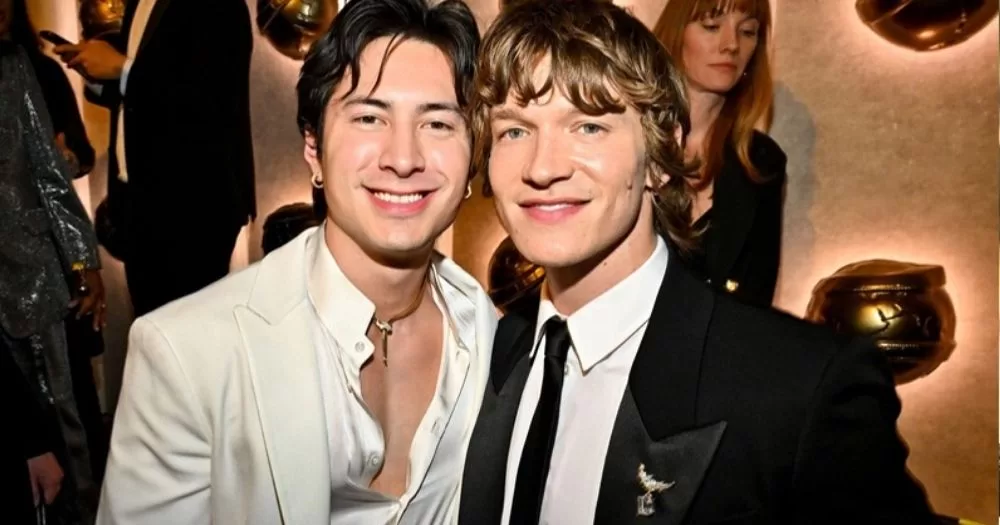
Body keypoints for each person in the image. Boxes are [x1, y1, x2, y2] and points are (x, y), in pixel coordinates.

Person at [458, 1, 936, 523]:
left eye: (589, 126)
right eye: (514, 131)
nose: (542, 167)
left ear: (663, 156)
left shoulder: (801, 391)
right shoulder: (484, 359)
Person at [97, 0, 495, 523]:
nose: (403, 158)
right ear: (313, 148)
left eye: (439, 123)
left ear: (472, 154)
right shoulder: (185, 355)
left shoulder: (490, 334)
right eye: (369, 117)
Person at [54, 0, 257, 316]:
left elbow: (208, 101)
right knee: (155, 340)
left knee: (193, 343)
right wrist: (95, 71)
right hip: (142, 206)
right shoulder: (139, 3)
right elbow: (139, 101)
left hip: (194, 207)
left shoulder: (220, 5)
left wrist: (122, 70)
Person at [0, 37, 105, 525]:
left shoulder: (15, 65)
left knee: (67, 438)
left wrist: (84, 263)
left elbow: (50, 172)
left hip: (35, 280)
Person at [652, 0, 786, 308]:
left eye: (748, 31)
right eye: (712, 26)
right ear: (675, 33)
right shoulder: (625, 141)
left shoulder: (761, 161)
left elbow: (756, 304)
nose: (731, 45)